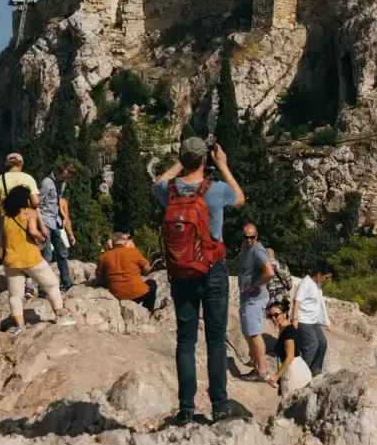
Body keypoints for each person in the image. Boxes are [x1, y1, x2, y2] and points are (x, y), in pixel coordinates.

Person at [152, 137, 246, 424]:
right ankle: (219, 407)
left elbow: (155, 182)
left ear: (183, 159)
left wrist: (180, 162)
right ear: (205, 160)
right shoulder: (216, 190)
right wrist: (222, 165)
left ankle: (186, 410)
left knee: (185, 342)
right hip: (213, 269)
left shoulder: (168, 190)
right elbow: (240, 199)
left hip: (181, 272)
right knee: (216, 341)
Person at [0, 184, 74, 331]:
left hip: (11, 260)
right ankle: (61, 316)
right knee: (51, 284)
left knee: (15, 295)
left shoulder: (4, 218)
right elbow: (33, 231)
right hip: (30, 257)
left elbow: (2, 239)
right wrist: (43, 238)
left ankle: (19, 327)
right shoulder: (29, 213)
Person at [237, 223, 274, 380]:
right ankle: (255, 362)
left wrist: (255, 284)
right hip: (247, 297)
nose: (249, 240)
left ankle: (261, 371)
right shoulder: (246, 247)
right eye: (246, 237)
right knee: (248, 331)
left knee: (254, 334)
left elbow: (269, 272)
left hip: (254, 298)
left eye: (252, 237)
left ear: (257, 236)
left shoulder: (258, 251)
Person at [262, 300, 312, 401]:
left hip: (294, 371)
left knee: (288, 404)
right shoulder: (285, 329)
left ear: (284, 314)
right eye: (271, 316)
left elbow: (290, 356)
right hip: (293, 368)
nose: (274, 319)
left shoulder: (288, 331)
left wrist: (276, 376)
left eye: (276, 315)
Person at [291, 260, 333, 377]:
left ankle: (315, 371)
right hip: (303, 320)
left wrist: (324, 321)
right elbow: (296, 301)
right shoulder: (305, 284)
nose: (327, 280)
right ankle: (300, 374)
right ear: (319, 274)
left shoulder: (317, 284)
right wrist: (295, 319)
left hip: (313, 321)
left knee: (322, 344)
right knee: (312, 345)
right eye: (326, 277)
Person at [97, 231, 157, 311]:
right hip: (137, 294)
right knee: (152, 283)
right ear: (125, 242)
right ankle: (148, 311)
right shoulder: (133, 251)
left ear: (112, 243)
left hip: (117, 296)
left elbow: (99, 279)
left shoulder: (103, 257)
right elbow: (147, 268)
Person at [38, 161, 73, 290]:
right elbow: (37, 204)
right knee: (47, 256)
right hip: (45, 222)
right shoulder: (46, 183)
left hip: (55, 222)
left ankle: (67, 283)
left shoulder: (61, 183)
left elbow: (56, 202)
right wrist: (40, 225)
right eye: (64, 176)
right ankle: (43, 289)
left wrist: (63, 216)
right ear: (58, 172)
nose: (65, 179)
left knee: (62, 252)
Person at [0, 153, 39, 219]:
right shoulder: (29, 178)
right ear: (21, 164)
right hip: (25, 218)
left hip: (6, 219)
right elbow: (35, 202)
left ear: (7, 165)